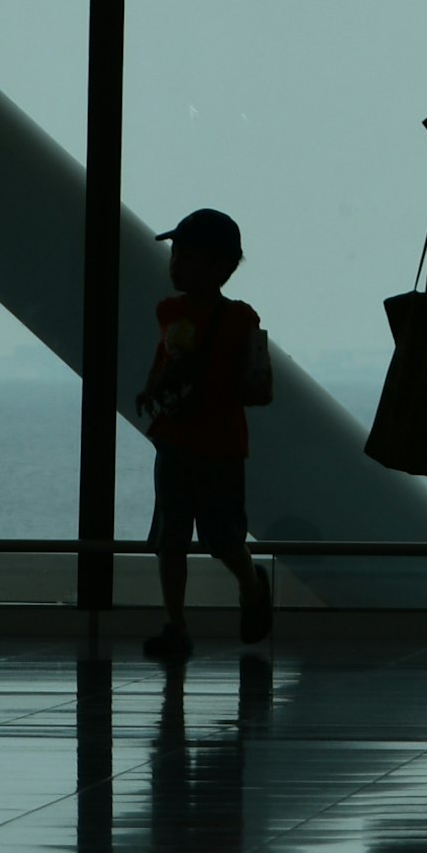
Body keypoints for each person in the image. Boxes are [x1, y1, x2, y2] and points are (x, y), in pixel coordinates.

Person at [136, 207, 274, 662]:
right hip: (186, 440)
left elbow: (253, 383)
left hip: (214, 443)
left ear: (222, 267)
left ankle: (251, 586)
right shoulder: (172, 311)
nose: (176, 264)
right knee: (173, 539)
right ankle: (176, 623)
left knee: (222, 537)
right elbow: (167, 361)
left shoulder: (240, 319)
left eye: (187, 256)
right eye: (177, 255)